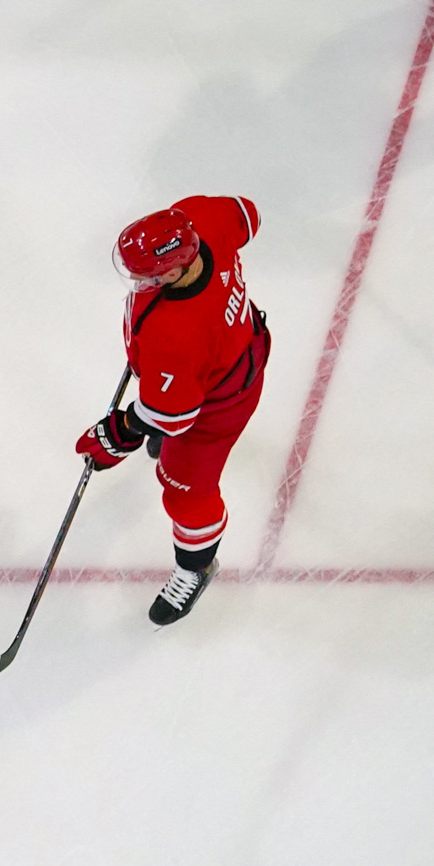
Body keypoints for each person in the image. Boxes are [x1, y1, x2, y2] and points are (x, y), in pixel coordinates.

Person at [75, 196, 270, 626]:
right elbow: (247, 214)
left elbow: (171, 416)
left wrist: (116, 436)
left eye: (147, 276)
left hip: (217, 405)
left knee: (186, 493)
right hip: (231, 352)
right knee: (171, 400)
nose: (138, 283)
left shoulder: (178, 338)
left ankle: (196, 567)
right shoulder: (201, 219)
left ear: (176, 268)